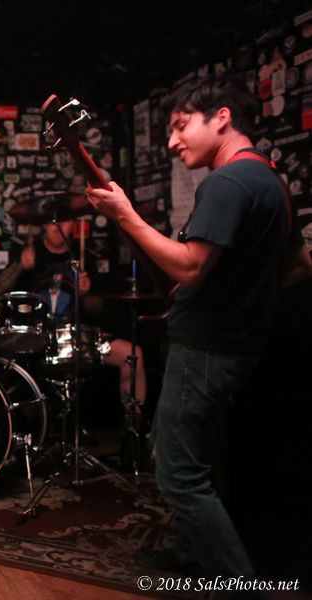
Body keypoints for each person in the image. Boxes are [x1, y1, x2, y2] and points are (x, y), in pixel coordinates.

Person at [85, 75, 309, 579]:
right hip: (239, 348)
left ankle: (237, 585)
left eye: (181, 126)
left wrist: (125, 214)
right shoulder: (271, 180)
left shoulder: (225, 182)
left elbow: (188, 266)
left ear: (221, 117)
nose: (171, 142)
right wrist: (235, 291)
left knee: (179, 473)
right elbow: (298, 266)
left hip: (206, 349)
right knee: (205, 459)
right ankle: (190, 557)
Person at [0, 219, 147, 410]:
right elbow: (0, 288)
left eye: (65, 221)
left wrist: (85, 295)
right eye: (53, 221)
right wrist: (20, 265)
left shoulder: (84, 255)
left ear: (73, 225)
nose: (58, 226)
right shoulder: (31, 252)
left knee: (133, 354)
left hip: (79, 338)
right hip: (39, 340)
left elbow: (98, 309)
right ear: (44, 224)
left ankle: (133, 423)